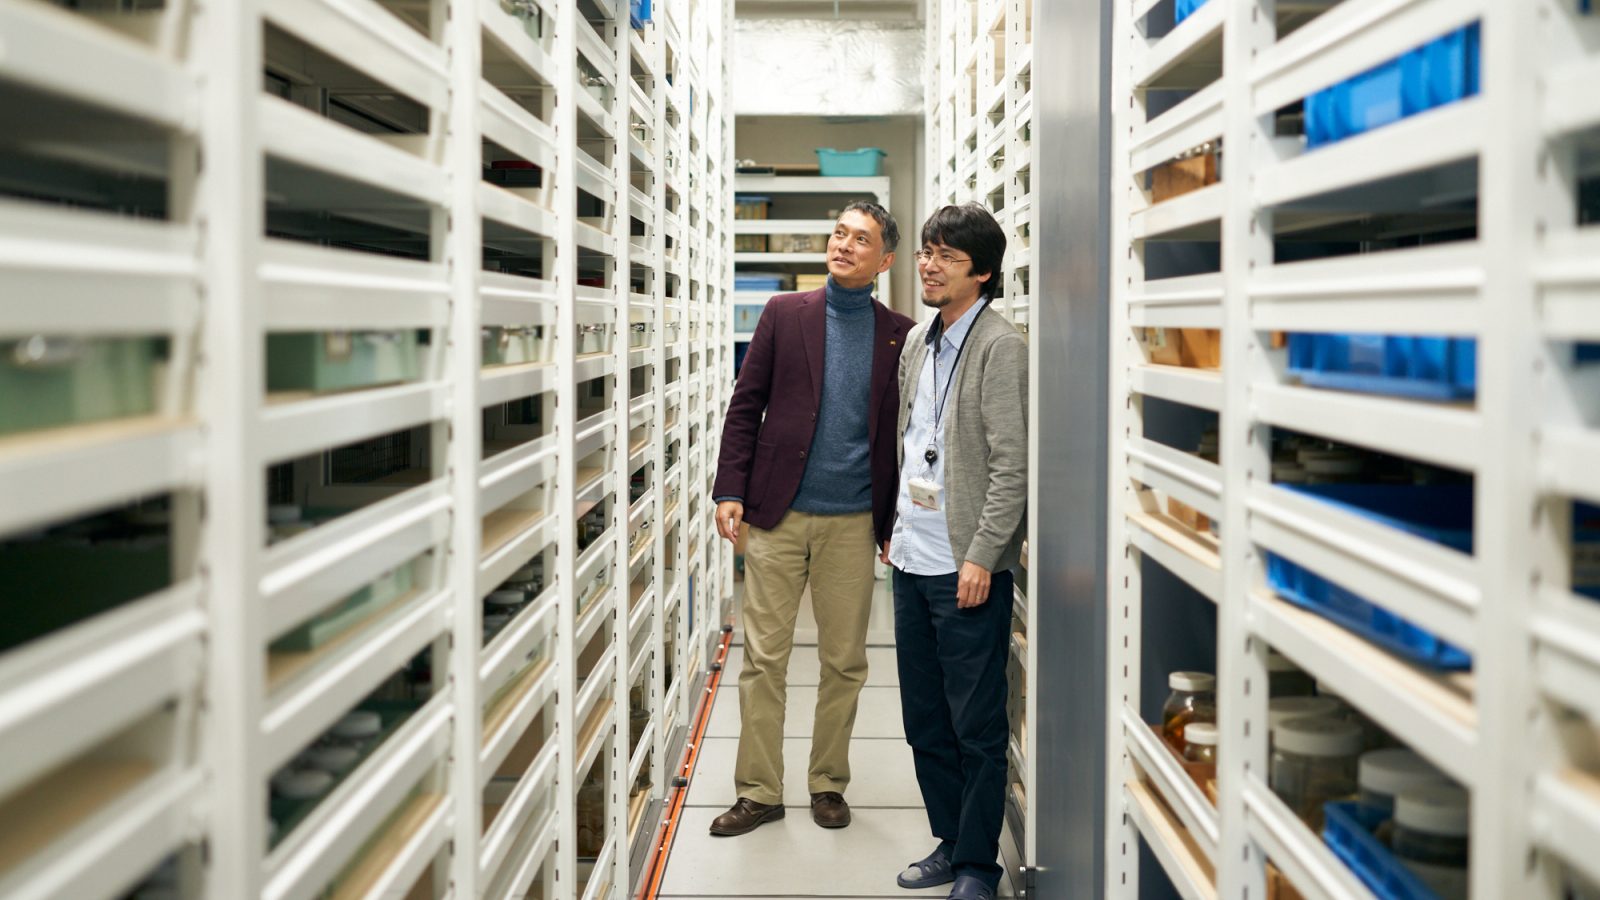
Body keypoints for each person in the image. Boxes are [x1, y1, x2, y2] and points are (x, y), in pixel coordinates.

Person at [709, 201, 916, 836]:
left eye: (862, 240)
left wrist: (894, 523)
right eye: (839, 234)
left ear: (885, 260)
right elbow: (747, 406)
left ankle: (828, 783)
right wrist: (729, 488)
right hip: (777, 513)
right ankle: (758, 791)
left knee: (845, 661)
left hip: (853, 520)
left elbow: (906, 435)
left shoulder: (901, 334)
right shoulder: (784, 313)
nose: (845, 246)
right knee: (763, 659)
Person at [884, 203, 1027, 900]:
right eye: (926, 252)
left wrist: (982, 555)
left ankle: (977, 866)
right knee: (925, 719)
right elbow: (913, 444)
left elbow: (1012, 467)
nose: (929, 265)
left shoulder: (1002, 347)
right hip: (912, 557)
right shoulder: (918, 341)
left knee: (976, 724)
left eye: (946, 257)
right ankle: (949, 840)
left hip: (964, 567)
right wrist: (894, 527)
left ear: (984, 272)